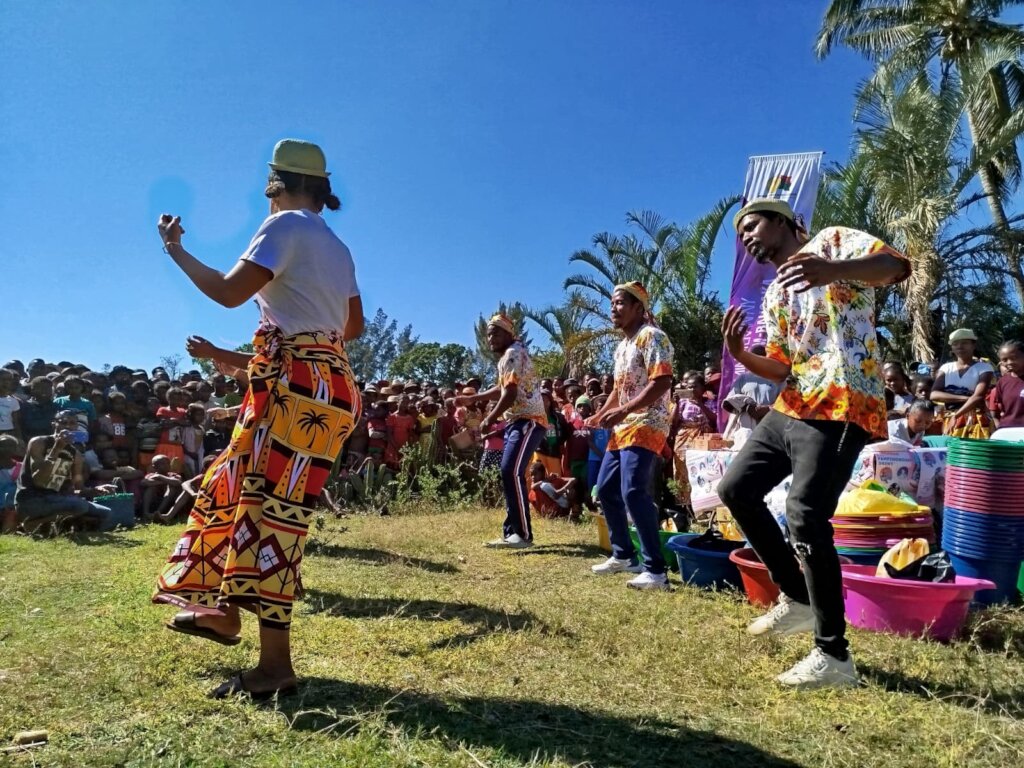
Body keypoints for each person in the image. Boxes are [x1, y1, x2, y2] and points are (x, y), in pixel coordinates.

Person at [153, 138, 364, 700]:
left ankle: (275, 667)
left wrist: (176, 250)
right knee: (242, 489)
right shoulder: (338, 248)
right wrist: (295, 340)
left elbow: (227, 292)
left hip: (295, 390)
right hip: (328, 386)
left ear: (275, 182)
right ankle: (223, 611)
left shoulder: (284, 227)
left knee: (273, 515)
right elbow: (353, 328)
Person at [716, 198, 909, 689]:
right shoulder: (776, 290)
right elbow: (780, 366)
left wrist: (832, 270)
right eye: (743, 235)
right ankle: (796, 596)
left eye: (753, 226)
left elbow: (895, 266)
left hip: (844, 400)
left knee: (805, 513)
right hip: (794, 403)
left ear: (783, 221)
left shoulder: (833, 242)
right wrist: (741, 354)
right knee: (735, 489)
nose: (749, 238)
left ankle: (834, 656)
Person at [586, 282, 674, 589]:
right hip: (624, 425)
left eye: (621, 302)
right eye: (612, 303)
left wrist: (624, 411)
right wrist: (601, 415)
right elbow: (617, 390)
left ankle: (657, 571)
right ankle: (624, 555)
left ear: (639, 307)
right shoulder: (622, 346)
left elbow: (661, 381)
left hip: (648, 421)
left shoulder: (653, 337)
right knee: (606, 489)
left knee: (633, 491)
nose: (614, 308)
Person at [455, 314, 546, 548]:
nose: (490, 338)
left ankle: (522, 535)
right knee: (509, 472)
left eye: (495, 332)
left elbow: (510, 393)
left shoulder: (513, 353)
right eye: (488, 334)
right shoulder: (510, 355)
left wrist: (490, 418)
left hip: (528, 420)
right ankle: (512, 532)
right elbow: (502, 387)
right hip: (518, 421)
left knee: (510, 471)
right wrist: (475, 397)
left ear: (509, 334)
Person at [15, 409, 113, 534]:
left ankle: (56, 526)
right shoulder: (39, 442)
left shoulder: (76, 455)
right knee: (80, 506)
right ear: (53, 424)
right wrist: (56, 449)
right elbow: (39, 481)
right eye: (63, 422)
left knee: (106, 513)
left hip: (57, 500)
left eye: (72, 423)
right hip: (31, 499)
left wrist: (95, 490)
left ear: (77, 426)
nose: (68, 426)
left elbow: (78, 489)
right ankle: (32, 524)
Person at [931, 329, 995, 437]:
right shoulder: (946, 368)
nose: (960, 346)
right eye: (955, 344)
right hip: (949, 418)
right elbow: (934, 394)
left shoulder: (984, 368)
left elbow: (979, 396)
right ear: (952, 348)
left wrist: (956, 416)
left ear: (973, 345)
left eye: (965, 343)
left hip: (974, 421)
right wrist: (967, 398)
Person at [721, 345, 782, 437]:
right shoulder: (743, 378)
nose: (756, 360)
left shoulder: (779, 378)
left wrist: (767, 409)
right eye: (753, 357)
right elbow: (730, 402)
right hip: (745, 431)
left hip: (771, 429)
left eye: (761, 357)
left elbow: (787, 403)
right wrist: (746, 406)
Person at [991, 340, 1024, 428]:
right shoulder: (1002, 382)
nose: (1009, 362)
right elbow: (1001, 407)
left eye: (1014, 358)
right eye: (1004, 360)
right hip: (1008, 429)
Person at [0, 369, 23, 442]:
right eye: (3, 379)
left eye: (9, 380)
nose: (6, 382)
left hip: (8, 433)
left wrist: (19, 439)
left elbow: (16, 422)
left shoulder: (14, 401)